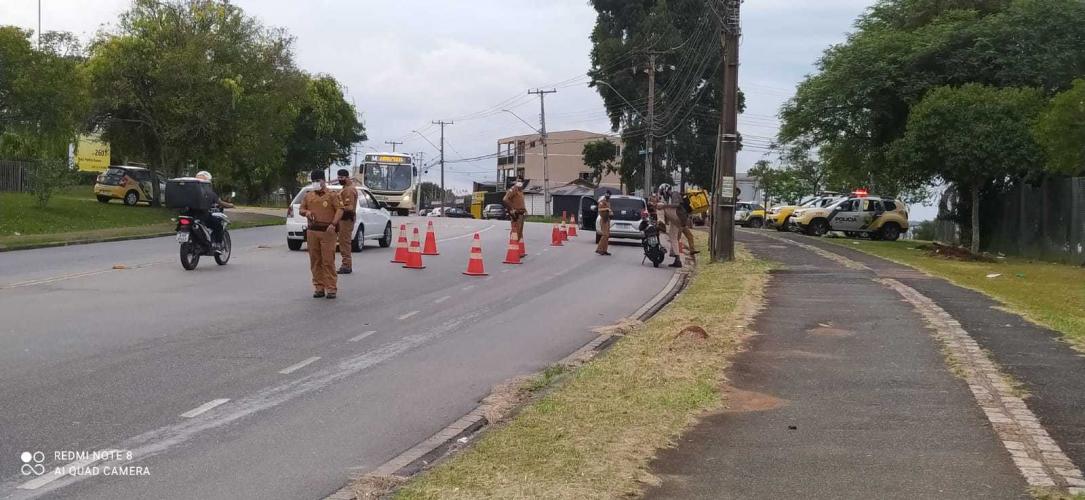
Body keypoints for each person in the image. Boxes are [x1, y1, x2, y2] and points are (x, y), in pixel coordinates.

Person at [299, 169, 343, 299]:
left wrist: (333, 224)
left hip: (327, 231)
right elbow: (301, 209)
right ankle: (319, 287)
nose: (315, 183)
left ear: (324, 180)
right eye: (313, 181)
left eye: (318, 180)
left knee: (328, 260)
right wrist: (306, 213)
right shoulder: (309, 195)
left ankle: (331, 288)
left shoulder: (332, 195)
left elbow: (340, 210)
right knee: (315, 260)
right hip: (313, 231)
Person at [192, 171, 234, 251]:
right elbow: (220, 203)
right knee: (218, 224)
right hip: (202, 216)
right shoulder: (209, 193)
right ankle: (218, 244)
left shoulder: (189, 192)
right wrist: (231, 205)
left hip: (189, 215)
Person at [335, 169, 358, 275]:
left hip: (346, 218)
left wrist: (339, 207)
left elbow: (349, 207)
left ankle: (346, 265)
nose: (340, 179)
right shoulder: (345, 188)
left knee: (344, 243)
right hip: (343, 219)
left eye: (342, 178)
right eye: (339, 177)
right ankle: (346, 264)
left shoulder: (349, 190)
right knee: (343, 242)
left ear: (347, 177)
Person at [657, 184, 684, 268]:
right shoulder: (670, 197)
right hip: (679, 219)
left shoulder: (675, 193)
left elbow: (677, 205)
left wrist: (664, 206)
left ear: (665, 190)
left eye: (662, 192)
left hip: (678, 215)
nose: (663, 195)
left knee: (659, 206)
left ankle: (661, 222)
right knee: (673, 237)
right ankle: (677, 259)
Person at [595, 192, 612, 256]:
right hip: (603, 219)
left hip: (608, 219)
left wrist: (611, 213)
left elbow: (610, 210)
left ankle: (605, 250)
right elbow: (599, 209)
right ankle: (599, 249)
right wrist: (607, 209)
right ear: (605, 195)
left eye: (609, 195)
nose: (608, 196)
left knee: (607, 236)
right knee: (604, 235)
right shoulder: (602, 201)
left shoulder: (608, 202)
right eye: (607, 194)